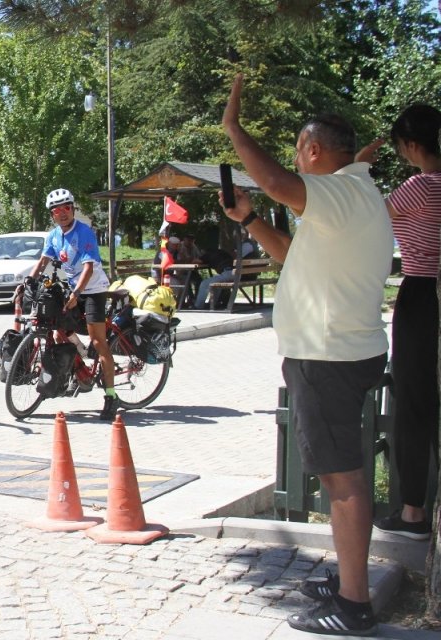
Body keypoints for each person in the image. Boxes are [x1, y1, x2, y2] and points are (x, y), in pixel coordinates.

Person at [221, 72, 391, 636]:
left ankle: (354, 604)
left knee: (343, 482)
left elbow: (273, 180)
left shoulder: (338, 191)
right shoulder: (354, 196)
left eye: (298, 149)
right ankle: (348, 578)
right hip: (339, 355)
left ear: (313, 150)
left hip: (328, 359)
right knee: (343, 476)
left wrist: (235, 129)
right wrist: (246, 218)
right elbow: (290, 255)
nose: (295, 159)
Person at [355, 104, 441, 541]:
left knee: (413, 401)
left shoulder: (419, 187)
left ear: (410, 145)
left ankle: (413, 512)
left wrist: (359, 169)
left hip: (424, 294)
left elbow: (367, 216)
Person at [25, 188, 118, 421]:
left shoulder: (84, 232)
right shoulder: (53, 236)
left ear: (73, 209)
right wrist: (27, 282)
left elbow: (87, 268)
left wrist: (77, 293)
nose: (62, 213)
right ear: (52, 215)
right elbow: (43, 261)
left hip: (93, 290)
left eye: (66, 208)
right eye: (57, 210)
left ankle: (110, 395)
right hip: (73, 290)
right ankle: (77, 370)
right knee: (57, 328)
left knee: (99, 341)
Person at [192, 238, 257, 310]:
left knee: (204, 283)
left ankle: (198, 306)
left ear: (203, 250)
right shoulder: (222, 252)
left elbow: (196, 261)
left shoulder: (207, 254)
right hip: (236, 274)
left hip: (229, 273)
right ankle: (212, 304)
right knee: (215, 282)